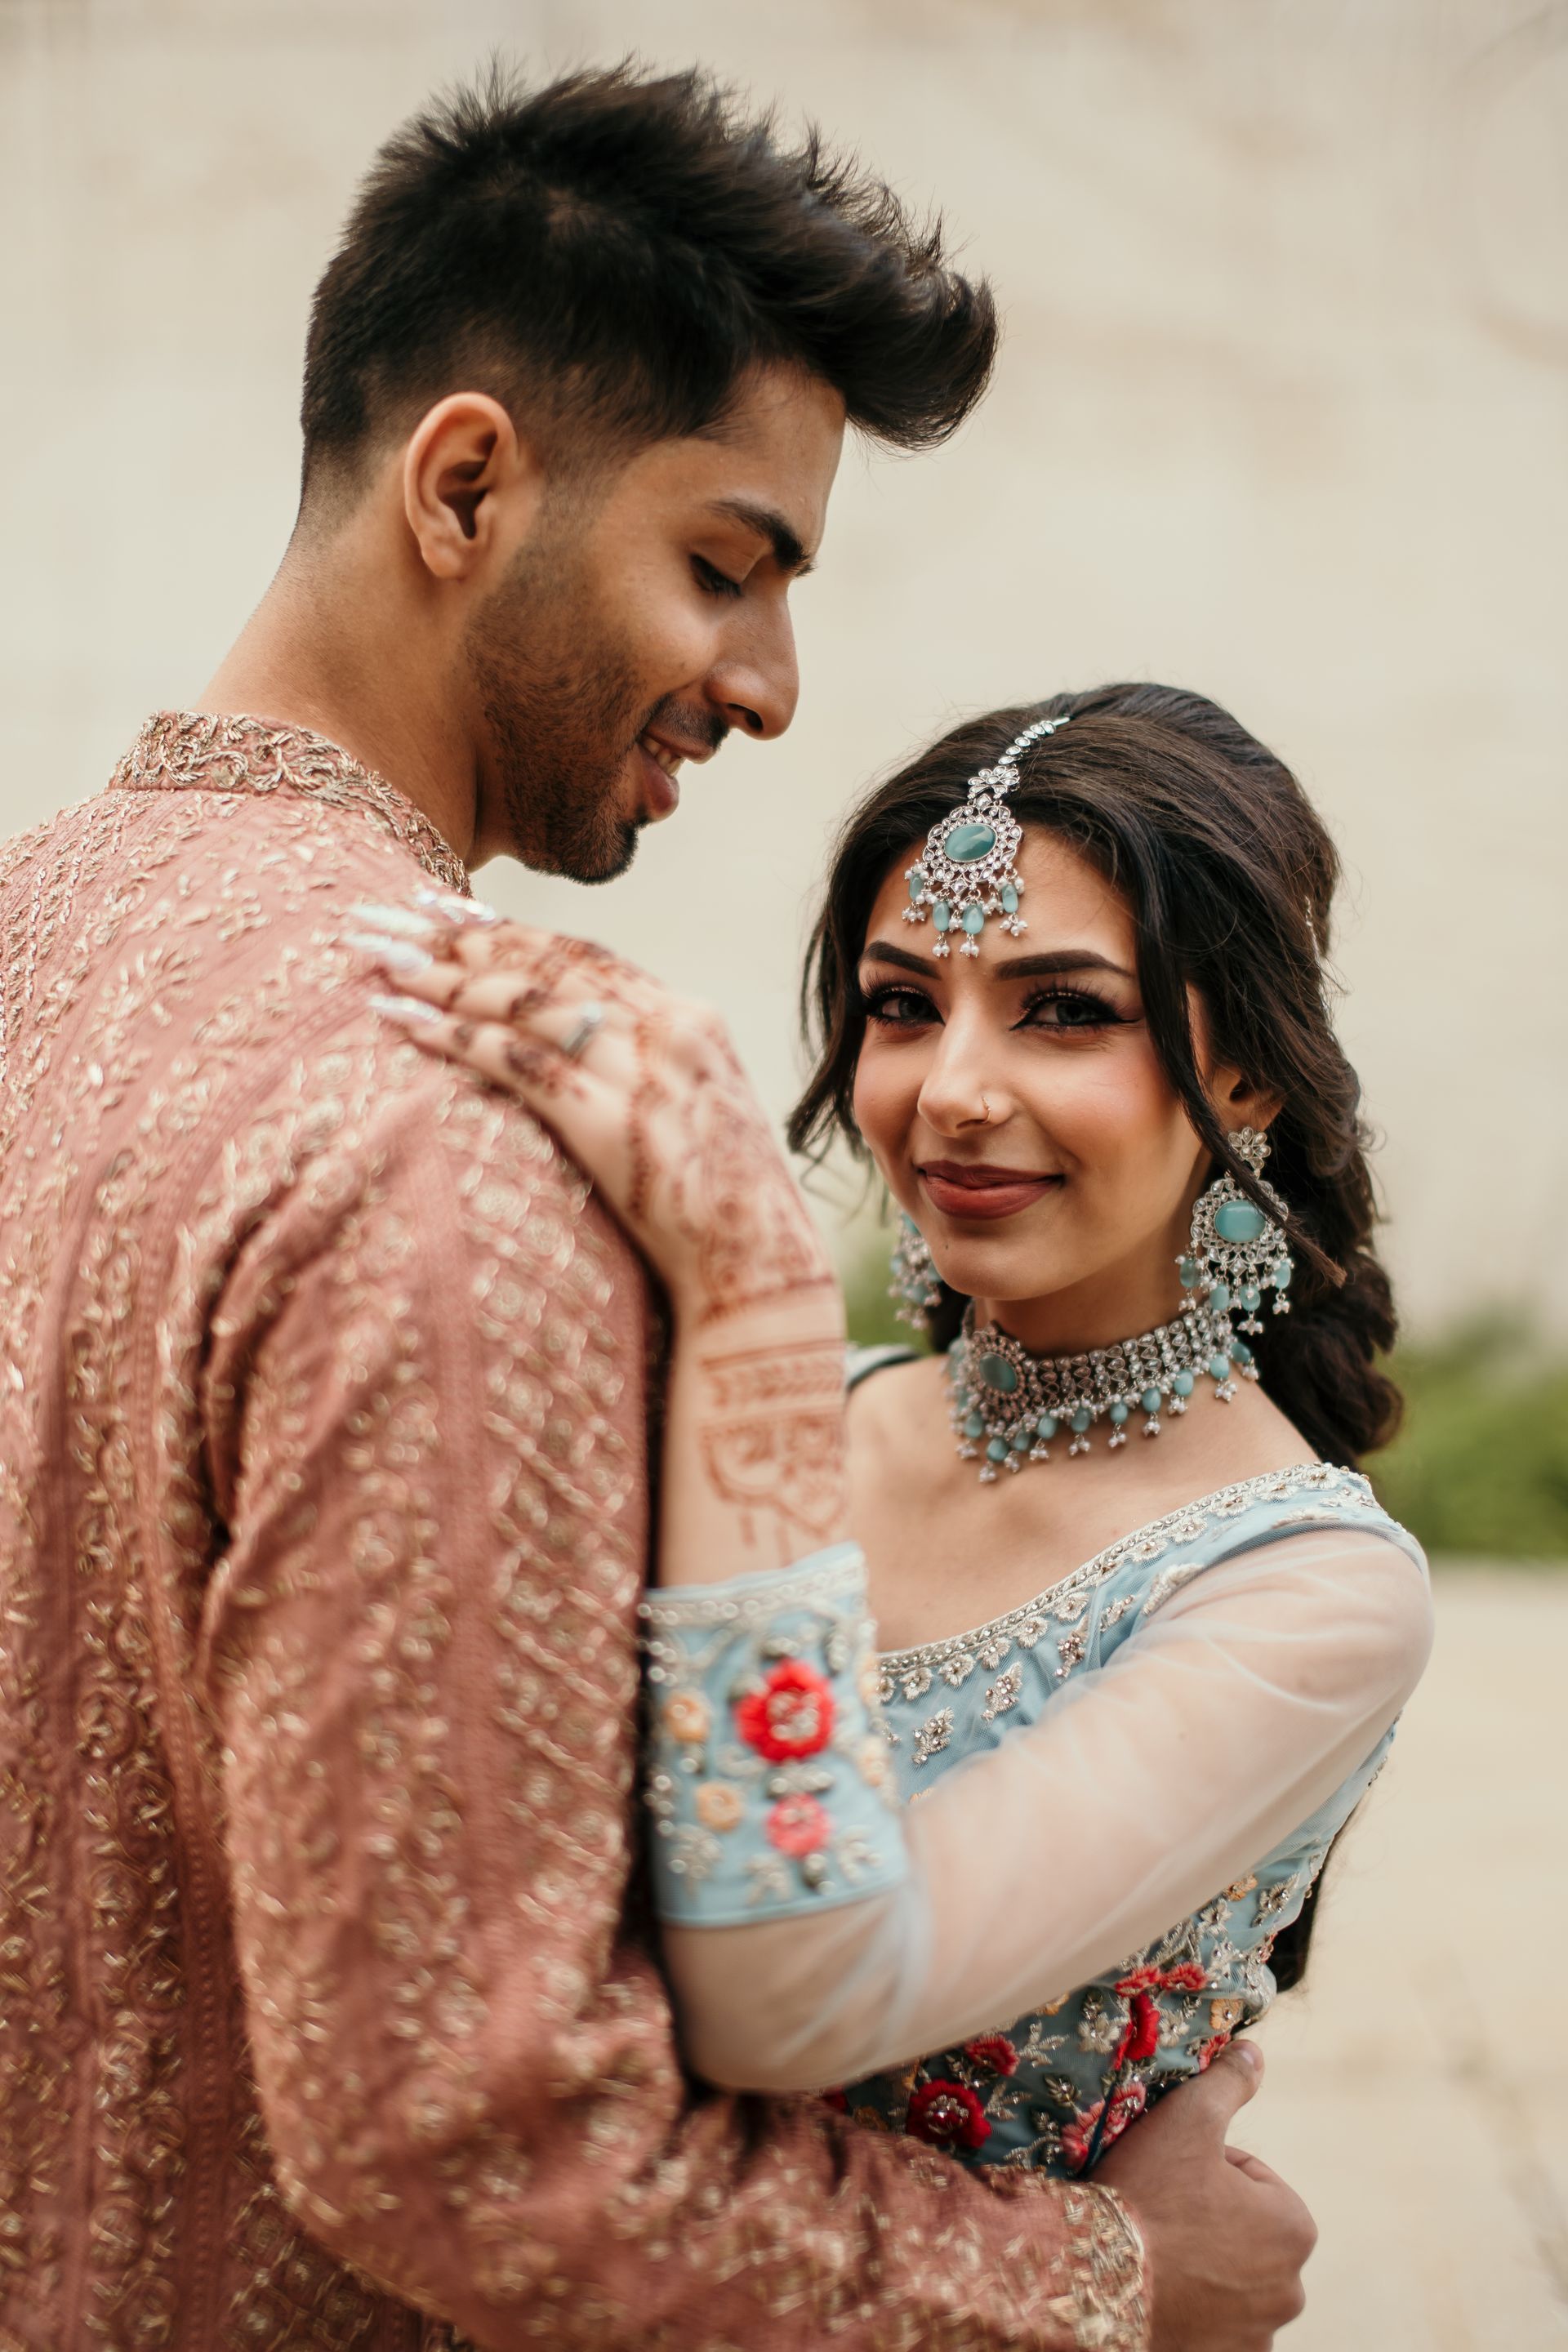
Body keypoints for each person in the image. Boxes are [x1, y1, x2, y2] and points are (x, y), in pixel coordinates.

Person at [0, 59, 1312, 2352]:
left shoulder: (31, 938)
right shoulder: (458, 1142)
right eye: (726, 565)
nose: (774, 686)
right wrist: (1110, 2274)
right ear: (469, 485)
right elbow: (487, 2151)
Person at [369, 683, 1432, 2228]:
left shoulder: (1307, 1594)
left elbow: (786, 2005)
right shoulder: (783, 1418)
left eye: (1066, 1008)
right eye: (901, 1003)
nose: (953, 1094)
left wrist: (746, 1302)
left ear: (1248, 1076)